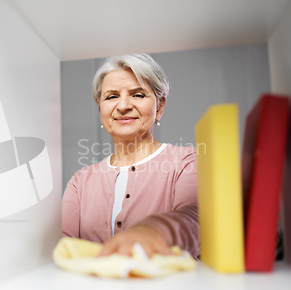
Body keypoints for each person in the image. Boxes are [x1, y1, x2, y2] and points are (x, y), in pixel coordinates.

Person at [61, 54, 199, 258]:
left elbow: (196, 218)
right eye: (111, 96)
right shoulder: (80, 182)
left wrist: (154, 231)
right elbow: (62, 247)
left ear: (159, 107)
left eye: (138, 95)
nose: (123, 106)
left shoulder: (187, 161)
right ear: (101, 108)